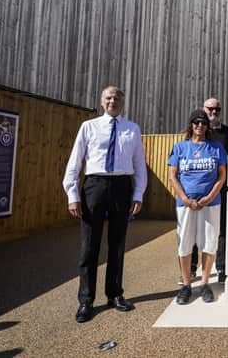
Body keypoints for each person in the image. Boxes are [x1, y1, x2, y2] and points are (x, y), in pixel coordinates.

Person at [63, 86, 147, 323]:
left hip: (122, 186)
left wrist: (138, 193)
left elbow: (139, 163)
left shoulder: (132, 129)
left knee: (117, 243)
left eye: (117, 98)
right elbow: (75, 160)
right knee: (89, 245)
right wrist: (72, 194)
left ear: (123, 102)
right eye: (109, 97)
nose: (113, 101)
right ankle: (86, 300)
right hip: (95, 185)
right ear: (102, 101)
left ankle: (115, 294)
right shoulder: (88, 127)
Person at [168, 110, 228, 305]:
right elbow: (173, 176)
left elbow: (222, 176)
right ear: (190, 125)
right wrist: (185, 199)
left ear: (207, 126)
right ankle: (186, 285)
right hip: (185, 204)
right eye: (196, 122)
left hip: (210, 204)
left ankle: (204, 284)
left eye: (203, 122)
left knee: (209, 242)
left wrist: (209, 197)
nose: (200, 126)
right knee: (184, 243)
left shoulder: (216, 147)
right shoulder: (179, 148)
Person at [189, 98, 228, 283]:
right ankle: (192, 268)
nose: (214, 112)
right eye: (210, 109)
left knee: (221, 229)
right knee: (193, 229)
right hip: (198, 188)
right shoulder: (197, 131)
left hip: (220, 187)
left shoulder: (227, 133)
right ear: (203, 109)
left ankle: (221, 267)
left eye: (217, 109)